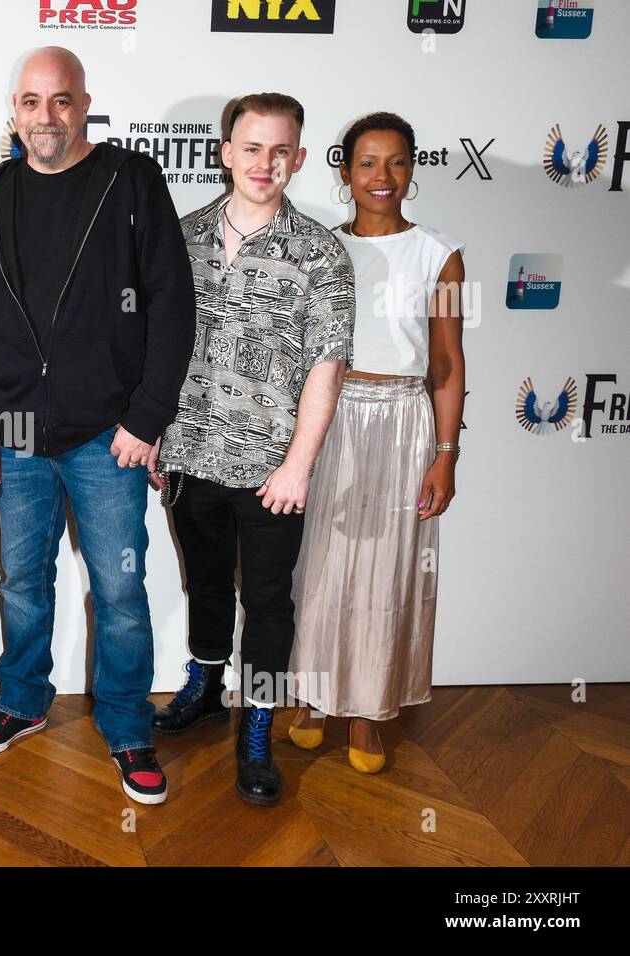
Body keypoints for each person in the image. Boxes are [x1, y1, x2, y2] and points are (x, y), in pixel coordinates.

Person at [0, 47, 194, 805]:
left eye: (60, 101)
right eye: (31, 102)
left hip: (108, 434)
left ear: (85, 103)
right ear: (14, 111)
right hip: (16, 432)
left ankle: (128, 725)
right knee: (23, 583)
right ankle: (23, 700)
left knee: (119, 591)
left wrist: (147, 417)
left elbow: (172, 303)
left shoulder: (131, 181)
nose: (45, 117)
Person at [151, 93, 355, 807]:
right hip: (189, 455)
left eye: (280, 150)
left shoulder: (323, 252)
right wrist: (155, 435)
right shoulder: (182, 236)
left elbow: (327, 366)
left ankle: (259, 725)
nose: (264, 163)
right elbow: (157, 347)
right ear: (225, 151)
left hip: (274, 471)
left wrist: (299, 464)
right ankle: (207, 687)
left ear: (299, 159)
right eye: (251, 147)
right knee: (205, 585)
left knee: (267, 605)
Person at [286, 112, 466, 773]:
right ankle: (310, 698)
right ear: (345, 173)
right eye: (367, 163)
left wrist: (446, 455)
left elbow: (447, 363)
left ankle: (366, 713)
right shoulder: (322, 250)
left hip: (405, 422)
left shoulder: (439, 254)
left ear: (412, 169)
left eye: (394, 162)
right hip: (332, 416)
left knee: (390, 572)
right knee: (321, 567)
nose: (381, 177)